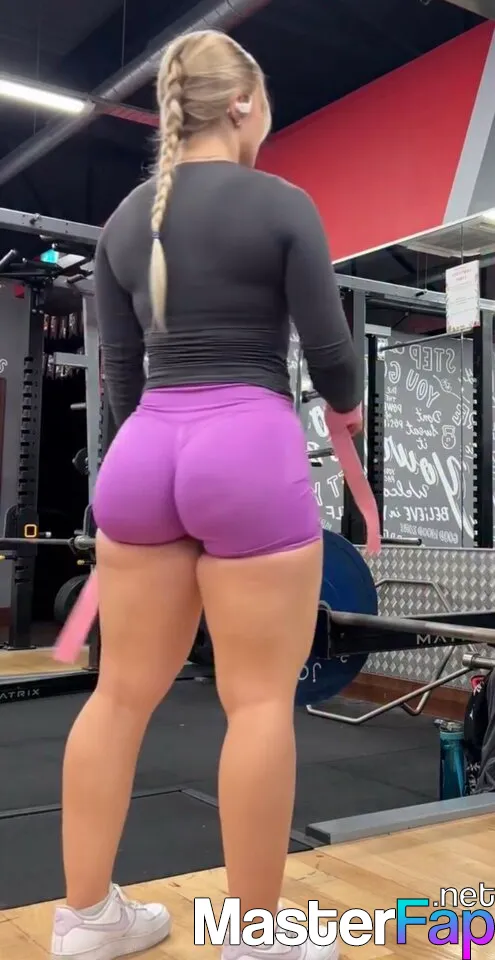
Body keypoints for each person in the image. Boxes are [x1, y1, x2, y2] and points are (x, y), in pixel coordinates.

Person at [51, 28, 361, 960]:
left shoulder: (123, 220)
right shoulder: (283, 204)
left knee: (117, 695)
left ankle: (86, 921)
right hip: (246, 447)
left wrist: (153, 452)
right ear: (242, 104)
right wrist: (346, 408)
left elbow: (120, 378)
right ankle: (254, 937)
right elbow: (332, 356)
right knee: (257, 703)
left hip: (144, 452)